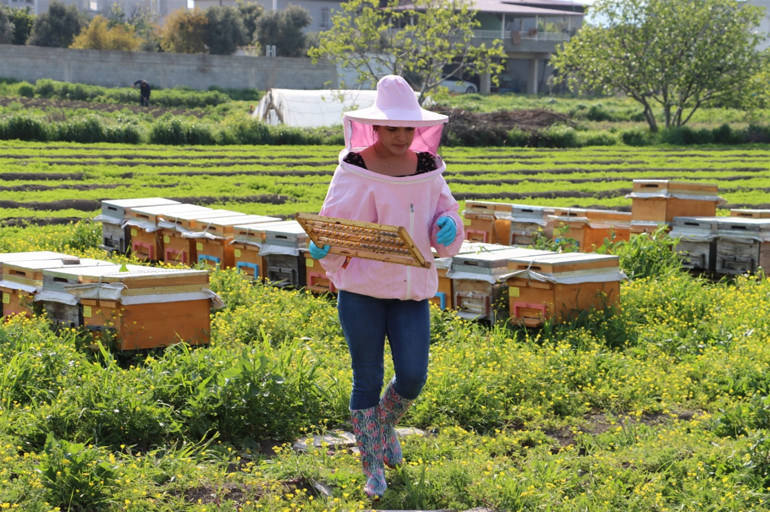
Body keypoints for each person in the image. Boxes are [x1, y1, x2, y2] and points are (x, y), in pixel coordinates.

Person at [308, 74, 464, 499]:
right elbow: (333, 225)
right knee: (367, 380)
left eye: (407, 128)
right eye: (391, 128)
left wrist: (448, 227)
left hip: (412, 290)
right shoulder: (354, 169)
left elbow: (444, 216)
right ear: (374, 128)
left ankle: (383, 425)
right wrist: (323, 247)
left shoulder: (429, 169)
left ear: (418, 130)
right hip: (362, 291)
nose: (399, 136)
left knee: (413, 376)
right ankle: (372, 467)